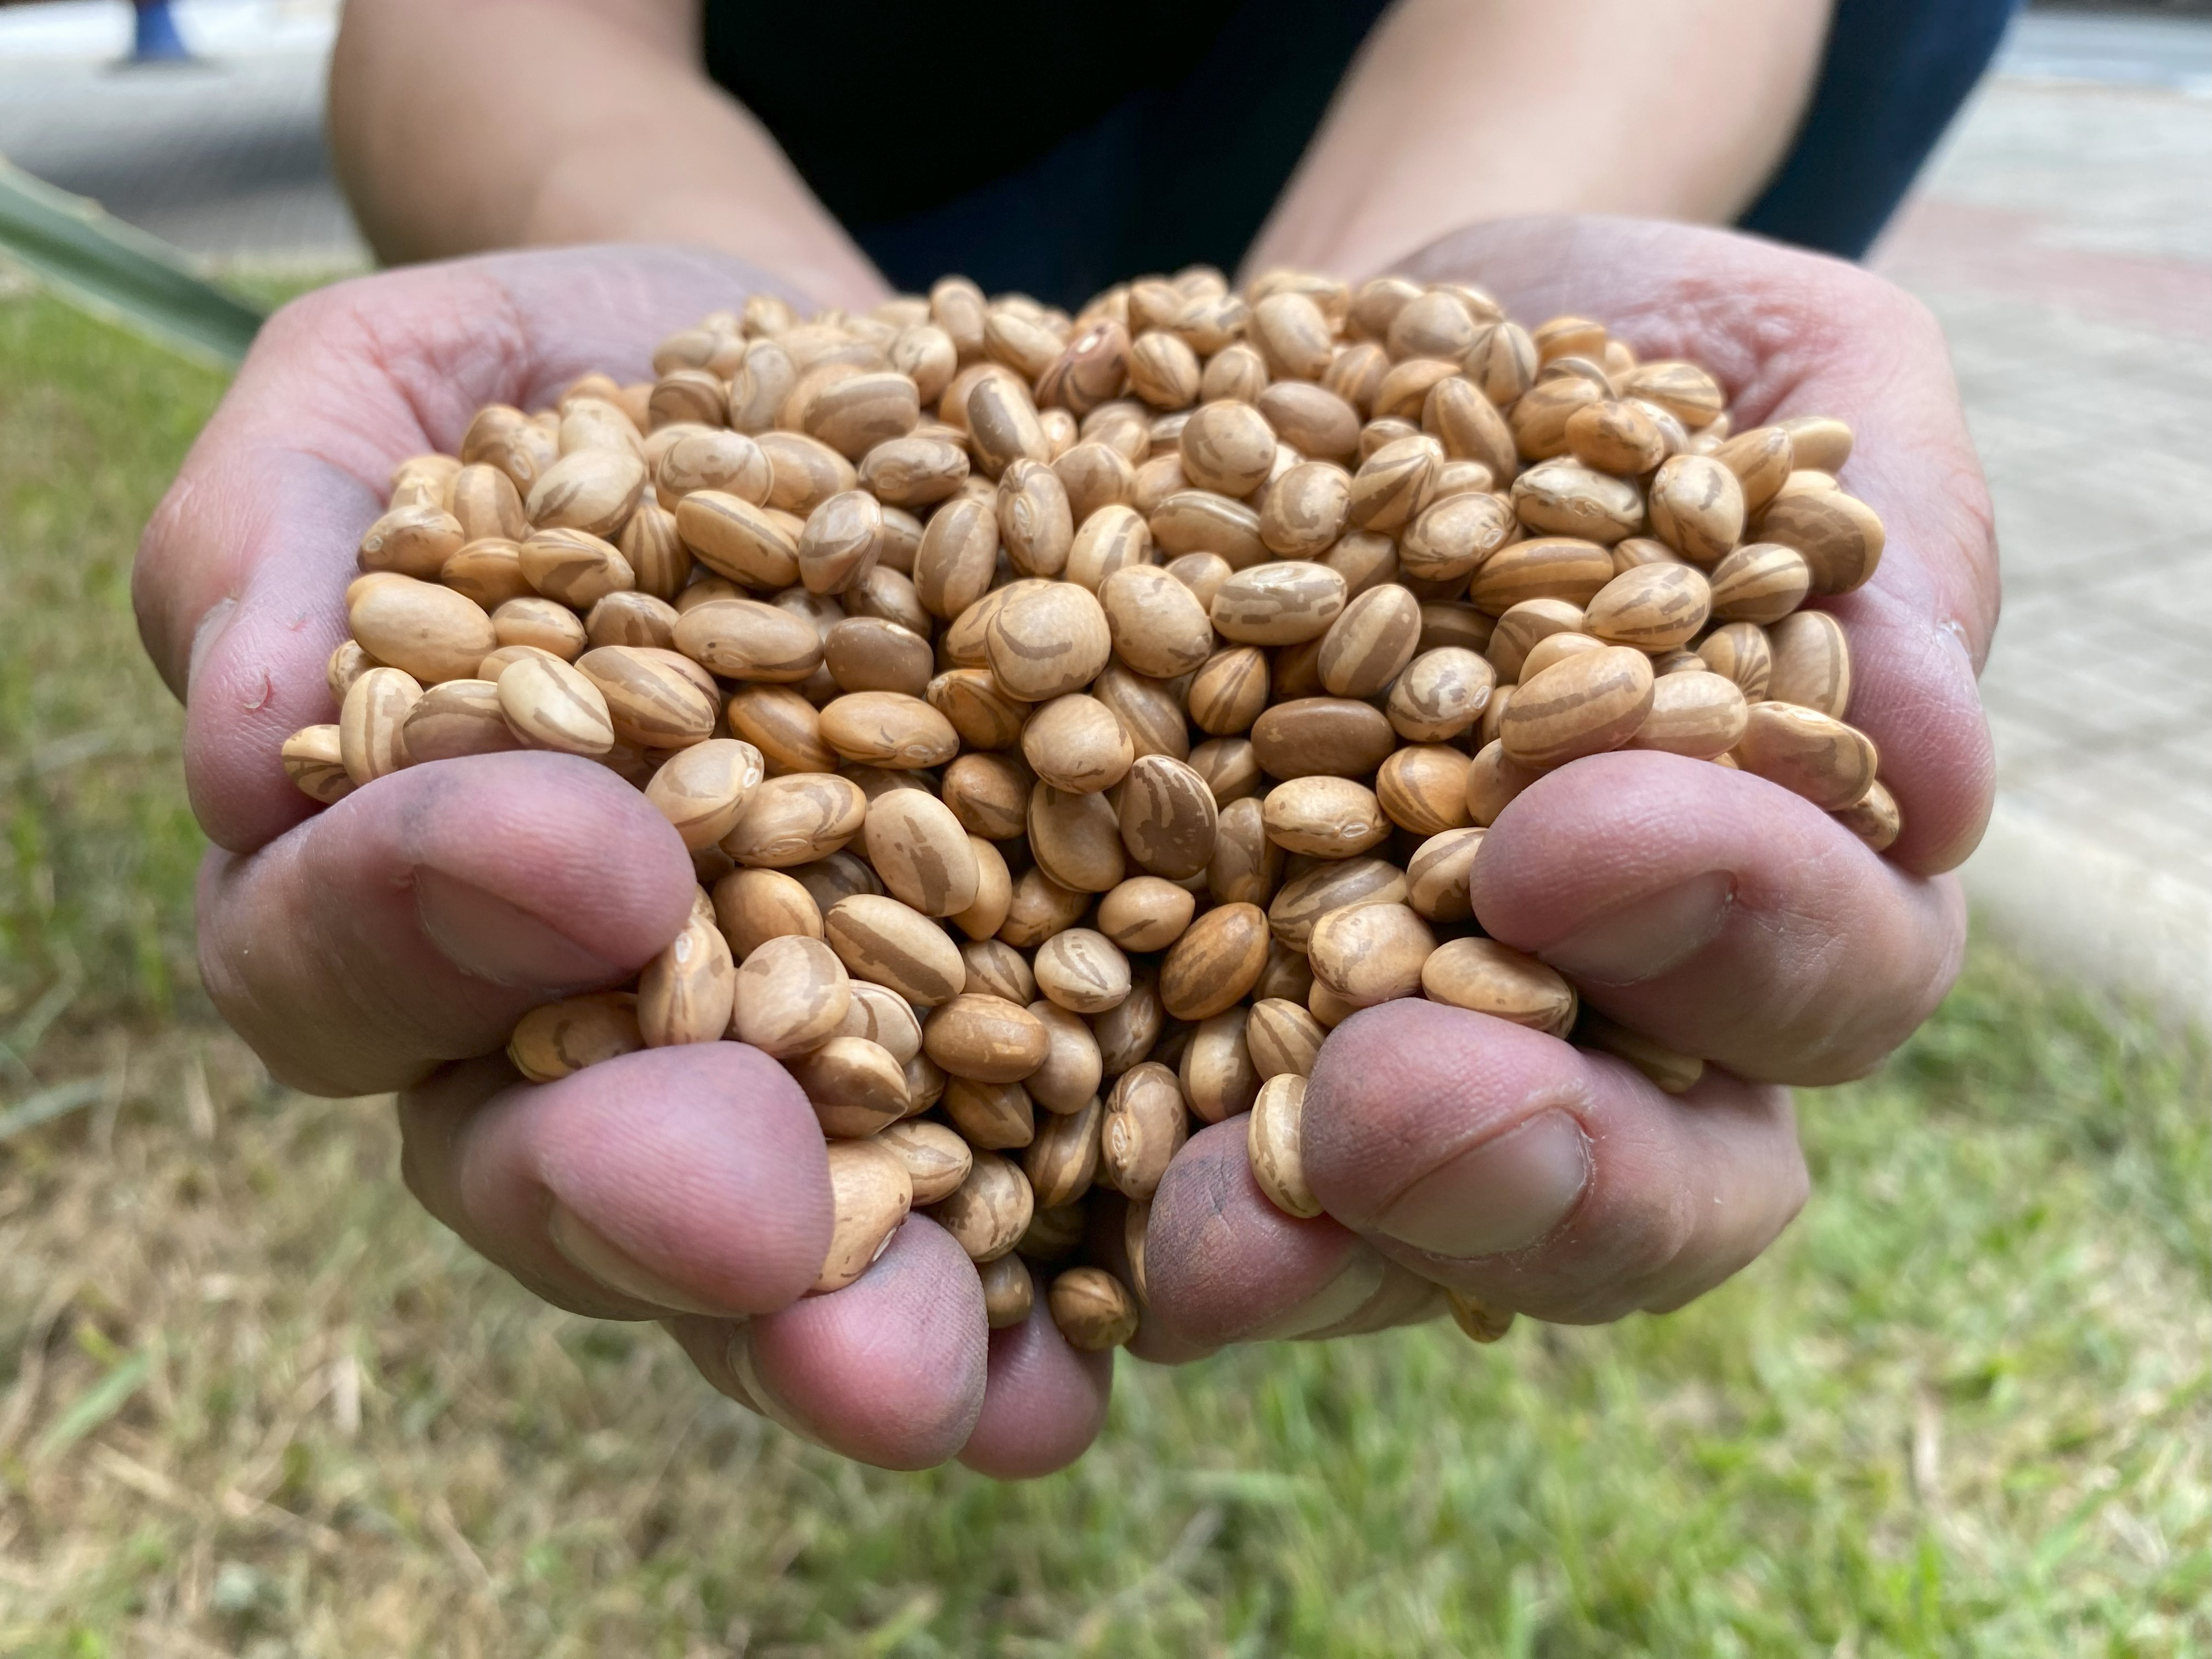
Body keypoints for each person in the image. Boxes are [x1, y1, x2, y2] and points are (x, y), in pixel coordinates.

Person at [133, 0, 2005, 1477]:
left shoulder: (1445, 578)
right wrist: (657, 251)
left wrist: (1390, 302)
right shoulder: (745, 578)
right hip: (839, 144)